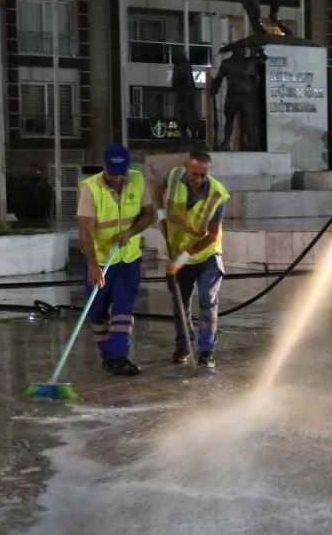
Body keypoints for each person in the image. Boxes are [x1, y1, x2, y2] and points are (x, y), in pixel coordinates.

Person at [76, 144, 155, 376]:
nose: (116, 178)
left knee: (123, 307)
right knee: (98, 312)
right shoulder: (90, 189)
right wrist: (93, 266)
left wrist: (130, 233)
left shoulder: (138, 180)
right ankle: (108, 358)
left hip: (128, 259)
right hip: (100, 261)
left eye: (121, 173)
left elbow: (149, 214)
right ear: (104, 166)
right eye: (112, 173)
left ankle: (120, 357)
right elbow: (85, 232)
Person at [160, 149, 230, 369]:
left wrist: (183, 257)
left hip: (206, 254)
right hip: (177, 251)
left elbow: (212, 235)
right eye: (194, 174)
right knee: (180, 304)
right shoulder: (173, 176)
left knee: (207, 301)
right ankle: (184, 346)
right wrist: (161, 213)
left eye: (203, 175)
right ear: (186, 169)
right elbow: (157, 186)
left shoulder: (217, 195)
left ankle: (206, 352)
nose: (198, 179)